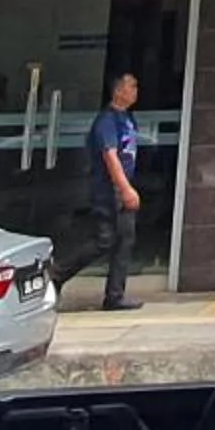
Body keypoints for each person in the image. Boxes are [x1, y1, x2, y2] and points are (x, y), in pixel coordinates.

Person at [56, 72, 143, 312]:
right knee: (107, 240)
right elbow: (109, 156)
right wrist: (124, 188)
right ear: (118, 91)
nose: (135, 90)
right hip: (109, 189)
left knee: (121, 239)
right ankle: (58, 273)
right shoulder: (107, 121)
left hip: (121, 187)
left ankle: (114, 294)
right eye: (131, 86)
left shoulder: (127, 118)